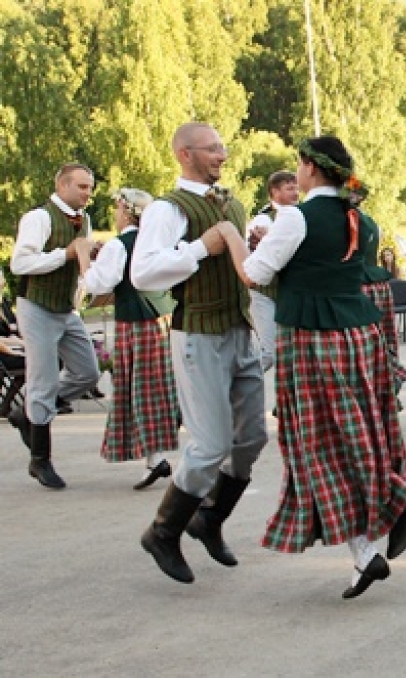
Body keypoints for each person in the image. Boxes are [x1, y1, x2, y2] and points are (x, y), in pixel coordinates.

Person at [216, 135, 406, 599]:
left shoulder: (295, 218)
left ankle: (377, 534)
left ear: (309, 167)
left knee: (320, 445)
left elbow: (254, 275)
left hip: (312, 340)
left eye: (299, 165)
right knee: (363, 431)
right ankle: (371, 538)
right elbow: (323, 263)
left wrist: (231, 237)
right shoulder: (360, 219)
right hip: (360, 337)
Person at [132, 122, 268, 584]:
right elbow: (143, 274)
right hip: (198, 336)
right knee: (210, 445)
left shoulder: (233, 202)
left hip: (239, 331)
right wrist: (200, 248)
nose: (222, 155)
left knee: (251, 439)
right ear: (184, 154)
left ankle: (208, 519)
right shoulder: (167, 210)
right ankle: (163, 532)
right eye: (212, 149)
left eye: (222, 146)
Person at [76, 188, 180, 490]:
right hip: (164, 319)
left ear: (127, 212)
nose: (116, 215)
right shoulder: (160, 242)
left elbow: (98, 283)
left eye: (119, 210)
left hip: (136, 323)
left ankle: (158, 457)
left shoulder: (119, 246)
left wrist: (85, 257)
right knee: (156, 390)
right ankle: (155, 458)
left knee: (140, 390)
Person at [8, 163, 102, 489]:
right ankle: (40, 459)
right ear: (62, 186)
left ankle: (29, 415)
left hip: (66, 308)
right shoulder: (39, 218)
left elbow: (78, 261)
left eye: (90, 187)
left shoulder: (85, 220)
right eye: (82, 187)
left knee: (88, 372)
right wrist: (64, 254)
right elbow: (19, 262)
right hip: (37, 306)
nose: (88, 193)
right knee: (42, 380)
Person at [353, 183, 406, 391]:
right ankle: (385, 385)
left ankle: (377, 389)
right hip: (376, 286)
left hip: (357, 287)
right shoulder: (370, 222)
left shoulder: (351, 221)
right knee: (382, 341)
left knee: (363, 347)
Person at [246, 170, 299, 373]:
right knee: (268, 354)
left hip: (285, 292)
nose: (295, 192)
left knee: (289, 352)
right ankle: (241, 383)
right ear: (274, 192)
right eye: (289, 188)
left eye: (295, 187)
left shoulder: (298, 214)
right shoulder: (264, 219)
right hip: (263, 293)